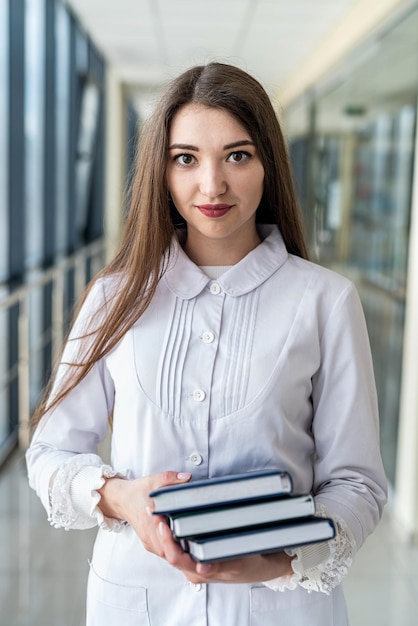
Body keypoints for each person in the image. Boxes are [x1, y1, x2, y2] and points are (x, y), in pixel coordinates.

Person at [26, 62, 387, 626]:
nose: (211, 184)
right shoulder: (114, 297)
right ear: (162, 173)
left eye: (237, 155)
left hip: (280, 609)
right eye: (186, 158)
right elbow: (49, 455)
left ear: (268, 164)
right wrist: (125, 501)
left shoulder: (327, 301)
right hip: (135, 603)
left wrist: (280, 558)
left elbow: (357, 484)